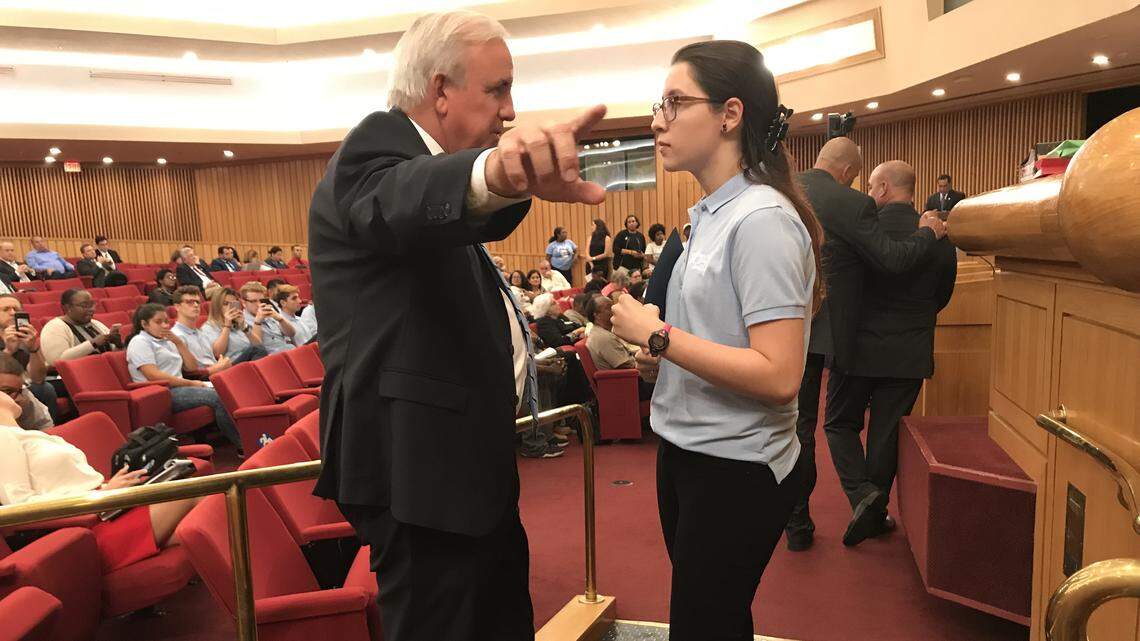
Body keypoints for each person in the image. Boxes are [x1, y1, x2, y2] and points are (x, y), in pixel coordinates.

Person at [308, 10, 607, 641]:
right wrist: (497, 171)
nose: (509, 109)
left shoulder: (432, 176)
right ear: (440, 90)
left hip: (457, 466)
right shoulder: (376, 147)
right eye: (497, 89)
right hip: (418, 472)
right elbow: (406, 198)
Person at [608, 40, 823, 641]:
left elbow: (781, 376)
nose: (657, 120)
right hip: (688, 451)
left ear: (730, 114)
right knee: (713, 620)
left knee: (703, 624)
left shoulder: (761, 220)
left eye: (675, 103)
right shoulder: (708, 217)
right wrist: (656, 357)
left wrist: (658, 338)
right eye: (661, 103)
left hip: (737, 466)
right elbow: (700, 346)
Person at [786, 136, 946, 551]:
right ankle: (867, 502)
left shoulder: (776, 188)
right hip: (837, 333)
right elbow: (892, 261)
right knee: (878, 430)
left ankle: (797, 524)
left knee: (800, 427)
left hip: (776, 323)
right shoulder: (851, 205)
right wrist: (928, 234)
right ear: (846, 174)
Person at [824, 160, 958, 547]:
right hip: (909, 349)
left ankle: (861, 496)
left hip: (858, 347)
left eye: (870, 186)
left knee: (838, 423)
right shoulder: (938, 235)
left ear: (882, 188)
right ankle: (875, 511)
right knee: (885, 432)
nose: (868, 193)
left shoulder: (864, 230)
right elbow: (942, 294)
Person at [0, 389, 200, 573]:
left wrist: (108, 485)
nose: (18, 395)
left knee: (207, 512)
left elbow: (69, 484)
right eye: (7, 391)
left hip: (105, 509)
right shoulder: (3, 436)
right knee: (189, 494)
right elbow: (20, 506)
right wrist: (100, 494)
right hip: (87, 528)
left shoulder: (27, 435)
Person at [126, 303, 241, 450]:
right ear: (144, 324)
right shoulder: (139, 342)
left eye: (166, 321)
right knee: (218, 397)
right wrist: (191, 383)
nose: (165, 325)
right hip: (164, 392)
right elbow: (153, 375)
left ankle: (250, 435)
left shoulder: (168, 340)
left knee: (229, 389)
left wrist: (179, 343)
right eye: (158, 322)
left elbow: (191, 367)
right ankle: (242, 444)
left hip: (181, 387)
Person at [0, 295, 56, 425]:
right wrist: (8, 351)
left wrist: (33, 348)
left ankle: (49, 431)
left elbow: (38, 378)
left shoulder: (26, 338)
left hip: (23, 387)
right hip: (6, 389)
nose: (13, 313)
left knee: (44, 388)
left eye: (16, 309)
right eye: (6, 309)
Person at [586, 295, 652, 399]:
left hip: (625, 381)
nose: (613, 309)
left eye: (613, 305)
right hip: (626, 386)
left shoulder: (602, 332)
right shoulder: (603, 338)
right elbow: (627, 364)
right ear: (597, 315)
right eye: (608, 307)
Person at [40, 289, 122, 366]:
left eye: (92, 305)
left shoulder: (96, 324)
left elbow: (110, 355)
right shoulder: (55, 327)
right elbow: (57, 361)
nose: (92, 309)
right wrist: (93, 344)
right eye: (85, 306)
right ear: (67, 308)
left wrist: (118, 345)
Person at [169, 286, 233, 376]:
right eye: (189, 302)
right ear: (177, 307)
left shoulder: (201, 332)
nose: (195, 305)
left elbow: (212, 358)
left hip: (218, 374)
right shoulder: (176, 336)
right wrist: (215, 369)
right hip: (202, 380)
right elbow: (185, 373)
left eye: (197, 302)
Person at [199, 288, 268, 364]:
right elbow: (217, 354)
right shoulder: (209, 327)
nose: (230, 308)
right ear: (217, 307)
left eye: (232, 304)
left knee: (259, 350)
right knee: (256, 350)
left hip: (250, 361)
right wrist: (227, 326)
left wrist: (244, 327)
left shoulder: (238, 323)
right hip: (232, 366)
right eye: (225, 304)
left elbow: (259, 345)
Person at [239, 282, 294, 354]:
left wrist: (281, 319)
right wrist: (258, 322)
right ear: (243, 303)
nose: (259, 304)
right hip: (273, 358)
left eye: (261, 300)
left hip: (289, 351)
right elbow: (257, 348)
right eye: (254, 301)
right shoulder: (242, 321)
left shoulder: (269, 311)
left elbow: (291, 333)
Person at [0, 354, 52, 431]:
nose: (19, 398)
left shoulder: (25, 395)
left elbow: (45, 425)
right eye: (7, 391)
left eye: (20, 390)